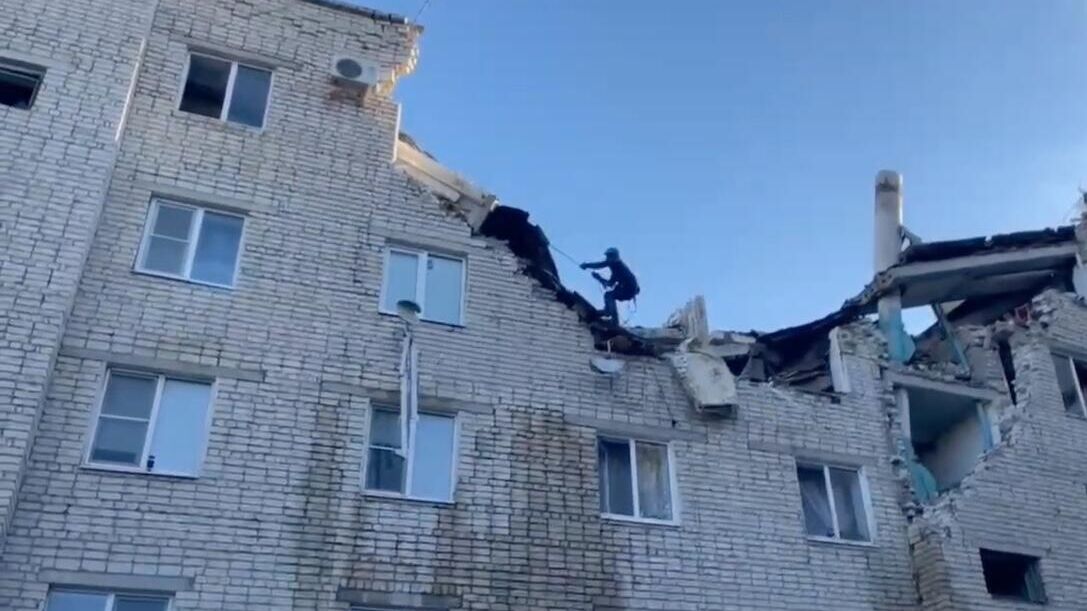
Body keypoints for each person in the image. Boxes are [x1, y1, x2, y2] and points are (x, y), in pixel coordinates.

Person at [581, 247, 639, 324]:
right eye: (607, 256)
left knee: (609, 295)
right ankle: (609, 314)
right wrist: (598, 278)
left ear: (614, 257)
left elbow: (600, 265)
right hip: (629, 290)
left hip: (628, 289)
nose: (607, 258)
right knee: (610, 295)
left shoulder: (618, 265)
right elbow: (610, 284)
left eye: (609, 256)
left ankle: (611, 316)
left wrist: (586, 265)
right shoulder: (615, 269)